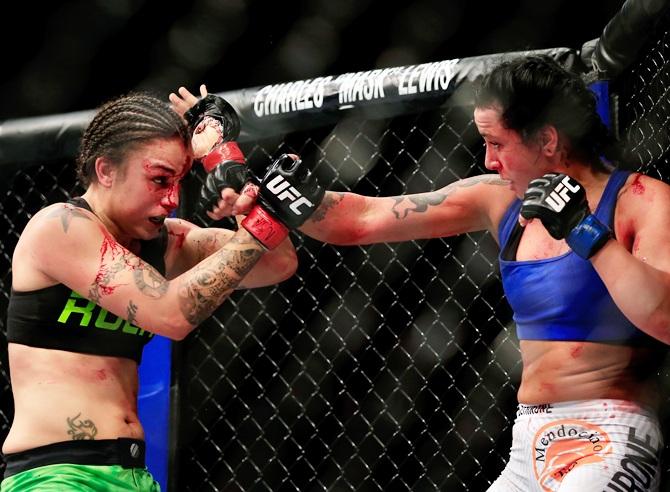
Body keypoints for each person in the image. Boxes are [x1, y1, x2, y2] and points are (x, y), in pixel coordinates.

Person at [199, 56, 670, 491]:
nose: (489, 160)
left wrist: (588, 235)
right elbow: (363, 220)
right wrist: (264, 189)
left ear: (547, 139)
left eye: (497, 143)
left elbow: (663, 318)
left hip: (610, 432)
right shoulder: (500, 198)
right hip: (530, 437)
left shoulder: (641, 202)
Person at [1, 87, 323, 491]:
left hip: (134, 475)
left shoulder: (167, 244)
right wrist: (263, 224)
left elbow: (277, 262)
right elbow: (171, 314)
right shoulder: (60, 227)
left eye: (179, 182)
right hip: (57, 475)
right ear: (106, 171)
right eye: (158, 180)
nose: (173, 199)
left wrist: (223, 158)